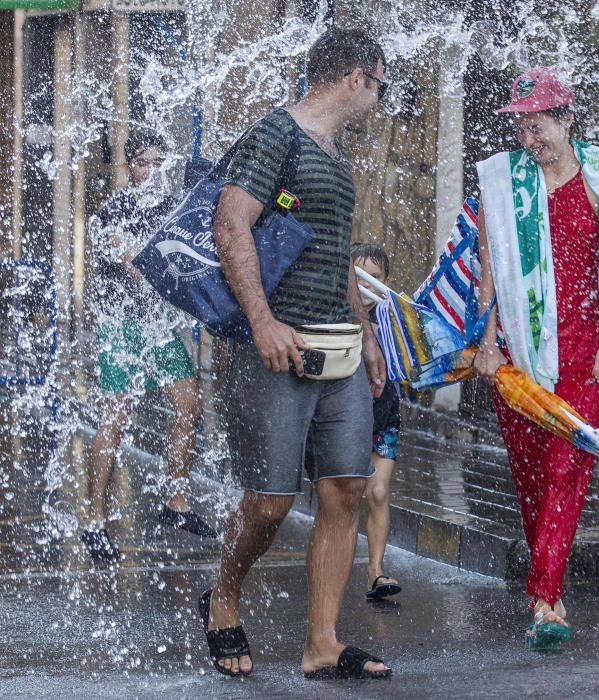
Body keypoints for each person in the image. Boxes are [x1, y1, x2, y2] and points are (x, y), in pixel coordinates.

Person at [201, 28, 391, 680]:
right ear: (355, 77)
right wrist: (262, 322)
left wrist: (366, 333)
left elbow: (337, 258)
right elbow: (232, 224)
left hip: (336, 349)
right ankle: (223, 594)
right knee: (270, 503)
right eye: (380, 82)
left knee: (346, 488)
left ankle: (322, 643)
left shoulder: (335, 157)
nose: (381, 96)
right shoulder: (275, 134)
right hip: (277, 348)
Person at [472, 67, 599, 650]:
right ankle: (550, 585)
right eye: (521, 125)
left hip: (583, 349)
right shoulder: (505, 183)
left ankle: (545, 600)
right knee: (529, 475)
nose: (529, 136)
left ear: (566, 118)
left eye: (538, 122)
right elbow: (490, 267)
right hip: (520, 349)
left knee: (567, 467)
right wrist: (488, 341)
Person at [82, 129, 216, 567]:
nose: (152, 171)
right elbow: (135, 264)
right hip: (121, 324)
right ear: (128, 167)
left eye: (159, 163)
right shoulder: (113, 209)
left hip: (156, 324)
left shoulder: (170, 208)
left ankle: (175, 502)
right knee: (116, 416)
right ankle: (94, 521)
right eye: (144, 163)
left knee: (189, 406)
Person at [351, 243, 403, 601]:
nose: (368, 287)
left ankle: (376, 571)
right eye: (360, 278)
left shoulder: (394, 319)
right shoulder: (340, 317)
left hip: (385, 418)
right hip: (347, 420)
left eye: (376, 279)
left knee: (379, 492)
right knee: (344, 496)